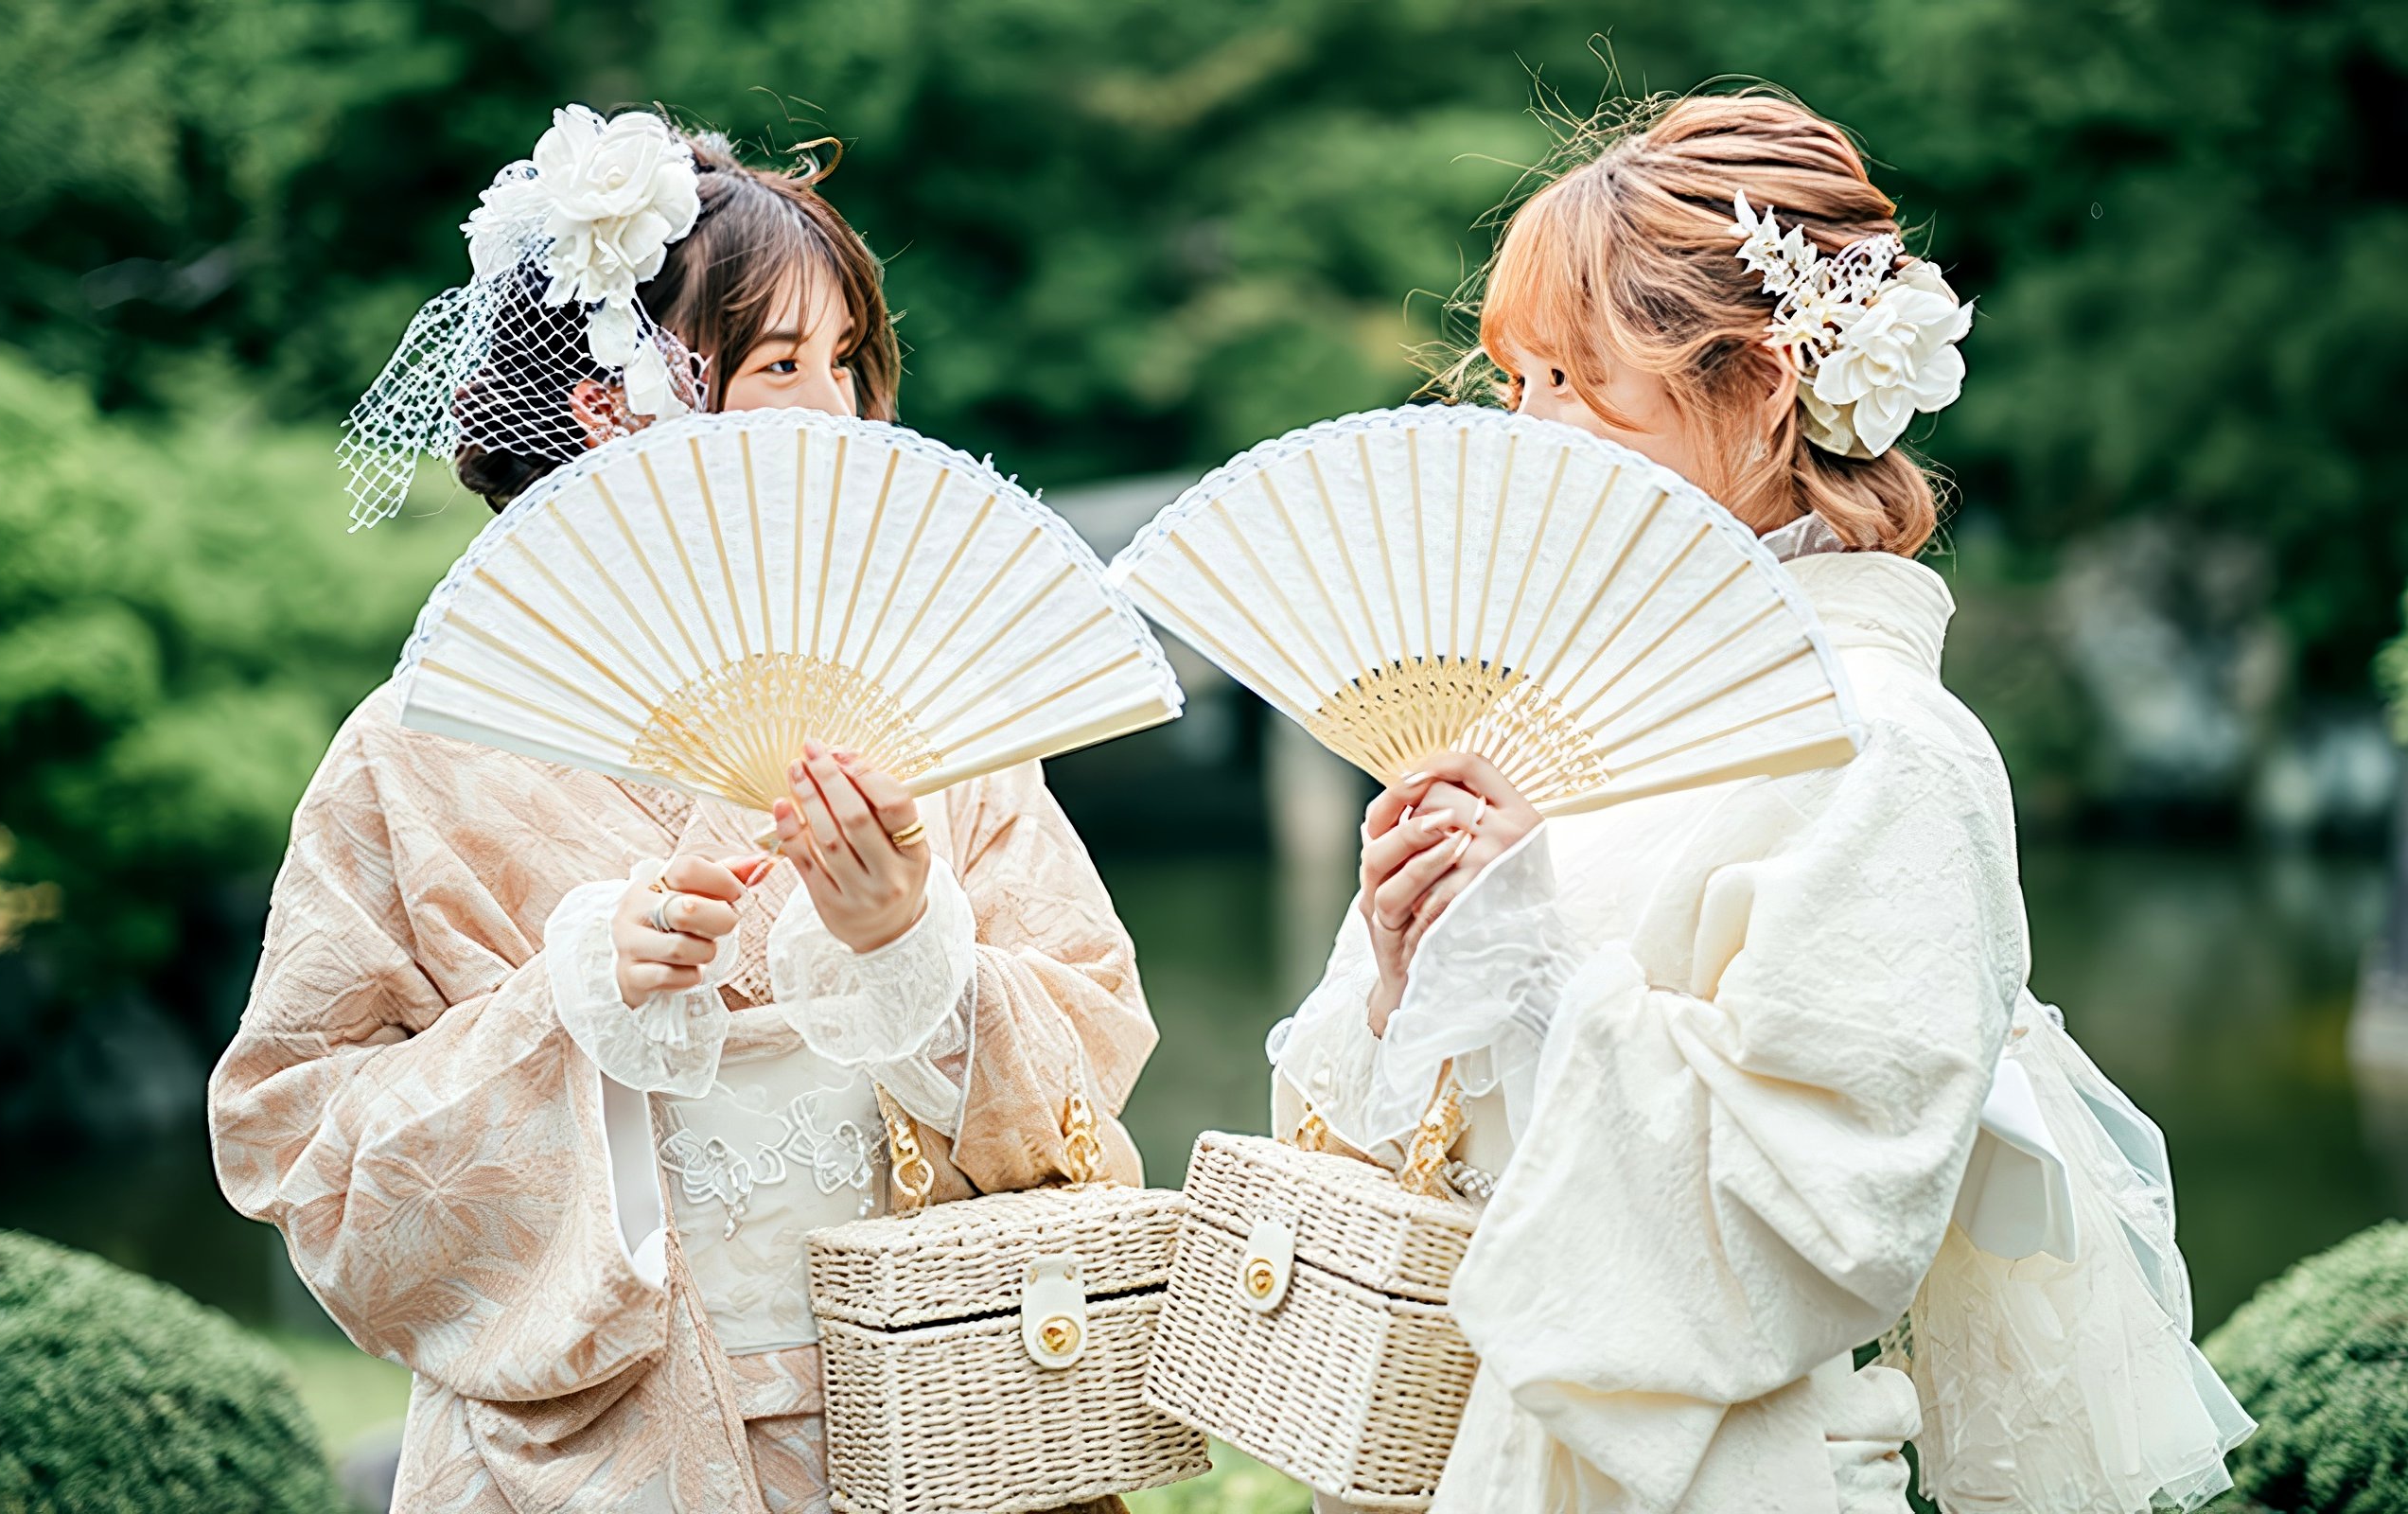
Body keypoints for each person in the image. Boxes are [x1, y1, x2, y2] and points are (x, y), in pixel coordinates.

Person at [1269, 90, 2254, 1514]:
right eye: (1517, 382)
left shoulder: (1893, 748)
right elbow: (1361, 1141)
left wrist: (1535, 956)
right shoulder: (1531, 715)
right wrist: (1410, 960)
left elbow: (1834, 1215)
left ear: (1759, 382)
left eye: (1571, 380)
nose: (1521, 434)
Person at [208, 106, 1154, 1514]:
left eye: (849, 362)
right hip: (595, 1446)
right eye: (781, 365)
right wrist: (569, 1003)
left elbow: (1094, 1045)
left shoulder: (932, 705)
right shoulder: (411, 752)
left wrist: (914, 951)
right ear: (612, 405)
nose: (834, 411)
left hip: (943, 1409)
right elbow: (300, 1142)